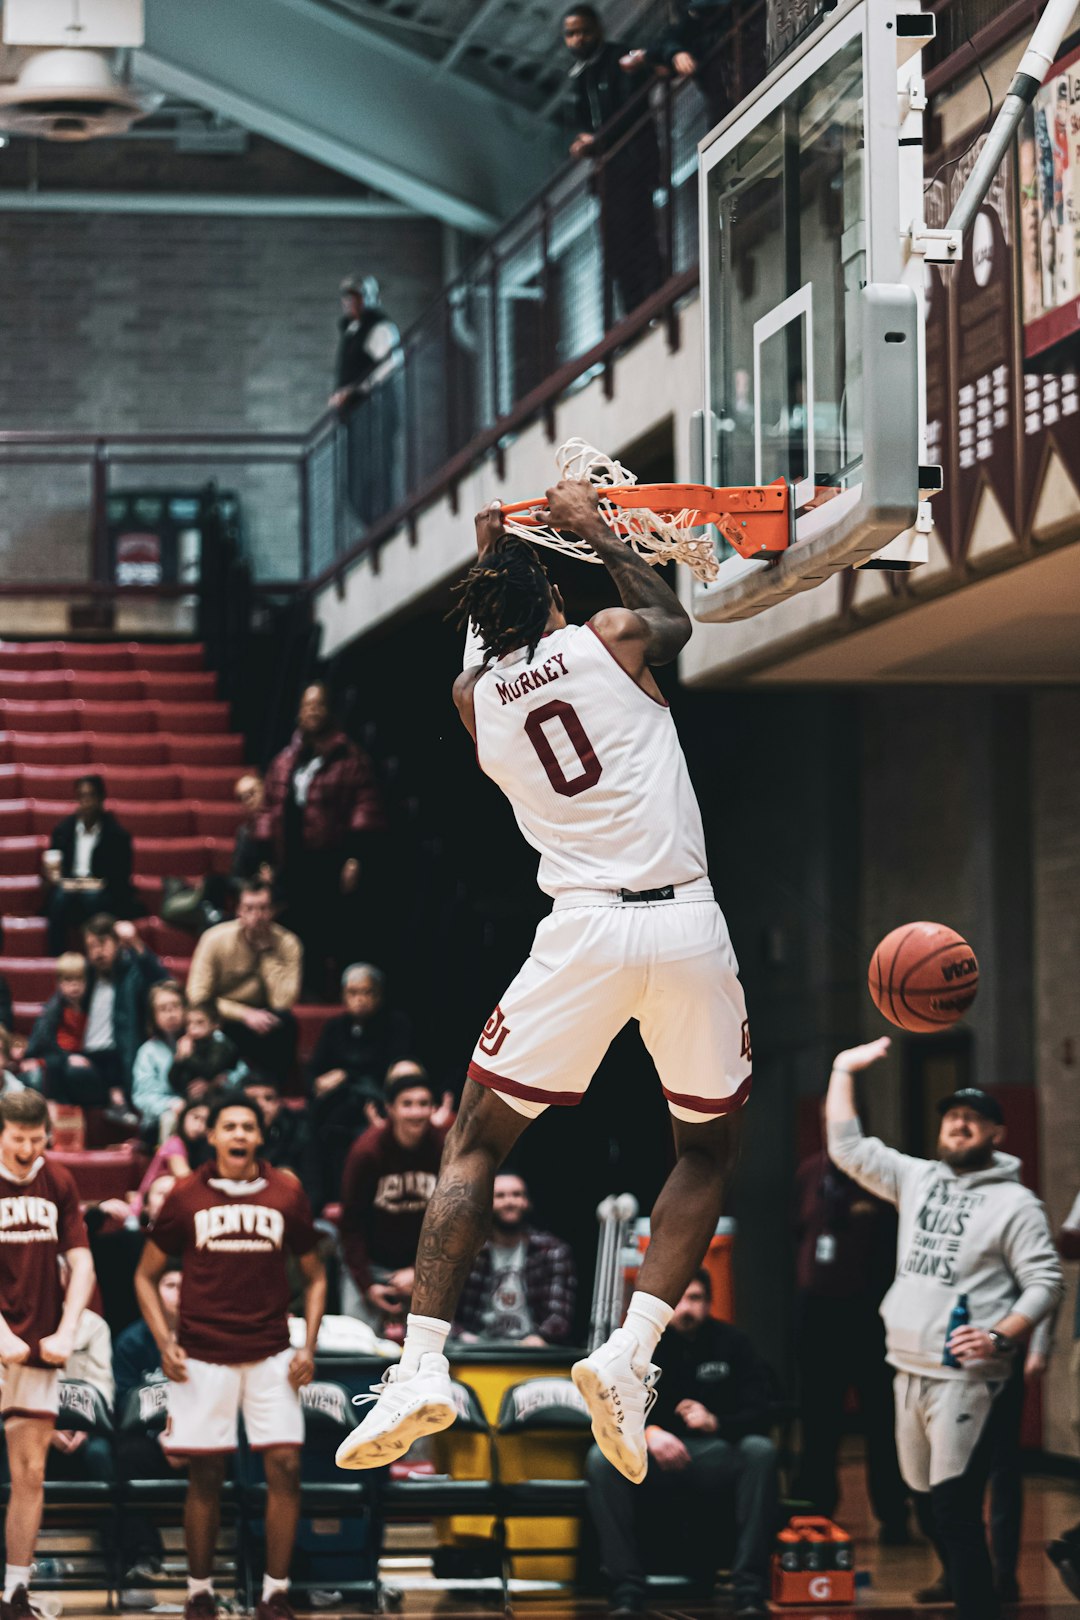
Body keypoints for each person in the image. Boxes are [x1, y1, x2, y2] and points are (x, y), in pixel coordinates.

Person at [336, 485, 751, 1478]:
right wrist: (598, 529)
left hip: (579, 933)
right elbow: (673, 616)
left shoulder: (476, 705)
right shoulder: (610, 633)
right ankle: (631, 1351)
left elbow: (485, 656)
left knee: (474, 1139)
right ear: (558, 600)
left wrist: (495, 554)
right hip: (685, 919)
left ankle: (422, 1366)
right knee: (704, 1153)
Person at [824, 1038, 1063, 1620]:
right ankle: (965, 1585)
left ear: (997, 1135)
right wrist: (841, 1070)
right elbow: (847, 1147)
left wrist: (1002, 1335)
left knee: (955, 1510)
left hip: (967, 1379)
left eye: (974, 1118)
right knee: (925, 1501)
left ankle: (978, 1605)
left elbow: (1045, 1281)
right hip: (906, 1369)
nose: (959, 1123)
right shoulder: (918, 1179)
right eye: (953, 1115)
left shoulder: (1015, 1205)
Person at [135, 1089, 327, 1620]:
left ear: (260, 1136)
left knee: (286, 1466)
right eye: (230, 1126)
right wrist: (164, 1339)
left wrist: (307, 1343)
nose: (240, 1134)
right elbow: (145, 1276)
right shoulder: (184, 1195)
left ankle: (275, 1592)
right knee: (205, 1475)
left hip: (271, 1352)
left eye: (248, 1126)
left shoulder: (286, 1192)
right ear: (212, 1136)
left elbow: (315, 1276)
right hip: (202, 1354)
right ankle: (199, 1593)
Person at [586, 1272, 778, 1618]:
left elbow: (762, 1411)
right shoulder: (640, 1349)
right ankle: (626, 1590)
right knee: (600, 1459)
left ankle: (749, 1590)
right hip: (649, 1457)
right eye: (679, 1300)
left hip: (713, 1453)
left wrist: (716, 1422)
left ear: (709, 1302)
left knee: (760, 1452)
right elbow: (605, 1412)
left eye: (696, 1299)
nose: (687, 1308)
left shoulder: (734, 1344)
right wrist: (649, 1433)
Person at [0, 1089, 96, 1620]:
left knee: (31, 1472)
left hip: (35, 1345)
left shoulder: (57, 1179)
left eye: (37, 1139)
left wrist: (67, 1330)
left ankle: (15, 1593)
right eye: (18, 1139)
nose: (28, 1149)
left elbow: (81, 1265)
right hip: (3, 1338)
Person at [791, 1128, 909, 1539]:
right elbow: (799, 1235)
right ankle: (814, 1509)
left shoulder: (880, 1177)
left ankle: (893, 1515)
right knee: (819, 1419)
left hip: (871, 1314)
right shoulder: (809, 1173)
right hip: (819, 1314)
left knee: (882, 1421)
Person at [259, 683, 386, 995]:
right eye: (306, 706)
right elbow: (270, 806)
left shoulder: (349, 758)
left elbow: (365, 806)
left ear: (329, 710)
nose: (311, 712)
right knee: (293, 926)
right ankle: (295, 988)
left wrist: (356, 856)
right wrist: (264, 854)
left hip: (330, 857)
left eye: (317, 705)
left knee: (328, 929)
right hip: (292, 856)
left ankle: (326, 991)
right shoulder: (287, 758)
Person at [564, 7, 662, 318]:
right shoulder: (580, 78)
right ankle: (635, 313)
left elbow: (633, 108)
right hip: (610, 170)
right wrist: (585, 142)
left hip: (633, 162)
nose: (578, 39)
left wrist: (597, 141)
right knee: (617, 246)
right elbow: (583, 122)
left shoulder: (619, 60)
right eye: (571, 34)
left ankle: (654, 304)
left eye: (583, 31)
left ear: (598, 30)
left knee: (639, 234)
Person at [338, 1063, 449, 1330]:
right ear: (390, 1109)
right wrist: (367, 1284)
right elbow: (351, 1224)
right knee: (356, 1342)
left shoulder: (445, 1148)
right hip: (370, 1264)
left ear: (433, 1108)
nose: (417, 1112)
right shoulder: (366, 1152)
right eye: (407, 1104)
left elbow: (451, 1222)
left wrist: (418, 1271)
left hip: (427, 1266)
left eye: (424, 1104)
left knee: (434, 1344)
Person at [306, 964, 414, 1206]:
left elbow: (390, 1067)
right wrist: (319, 1082)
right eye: (353, 993)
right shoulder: (335, 1027)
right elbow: (315, 1069)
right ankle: (324, 1199)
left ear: (379, 995)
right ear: (343, 996)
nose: (360, 999)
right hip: (338, 1102)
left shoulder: (396, 1024)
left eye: (367, 992)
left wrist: (345, 1074)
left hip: (376, 1099)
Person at [113, 1265, 184, 1595]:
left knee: (246, 1454)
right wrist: (162, 1437)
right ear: (154, 1292)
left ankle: (261, 1564)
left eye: (186, 1285)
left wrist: (186, 1437)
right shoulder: (131, 1342)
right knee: (124, 1454)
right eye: (170, 1285)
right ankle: (143, 1556)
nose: (179, 1293)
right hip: (149, 1445)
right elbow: (123, 1407)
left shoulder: (209, 1339)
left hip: (199, 1441)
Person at [186, 882, 300, 1082]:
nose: (256, 915)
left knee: (285, 1023)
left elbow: (283, 1003)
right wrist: (243, 1014)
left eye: (263, 908)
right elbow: (198, 995)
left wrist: (267, 954)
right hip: (222, 1018)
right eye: (249, 908)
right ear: (238, 910)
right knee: (197, 1021)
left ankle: (270, 1089)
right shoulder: (214, 939)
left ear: (272, 911)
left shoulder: (288, 943)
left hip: (263, 1020)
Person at [455, 1172, 576, 1346]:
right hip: (476, 1352)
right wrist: (461, 1336)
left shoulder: (552, 1251)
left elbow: (559, 1315)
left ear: (527, 1202)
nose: (509, 1202)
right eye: (500, 1196)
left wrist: (541, 1337)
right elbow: (444, 1312)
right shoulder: (469, 1253)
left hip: (531, 1352)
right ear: (486, 1204)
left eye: (516, 1194)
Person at [330, 276, 402, 527]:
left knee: (375, 471)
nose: (350, 302)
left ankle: (384, 524)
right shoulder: (352, 332)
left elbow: (388, 369)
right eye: (347, 297)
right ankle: (374, 526)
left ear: (369, 299)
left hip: (375, 413)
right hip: (356, 417)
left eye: (357, 297)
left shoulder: (379, 328)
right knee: (354, 481)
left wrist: (353, 391)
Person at [42, 775, 136, 954]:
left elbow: (121, 877)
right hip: (70, 885)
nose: (86, 801)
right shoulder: (63, 830)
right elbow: (53, 867)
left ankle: (98, 954)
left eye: (90, 796)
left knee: (92, 897)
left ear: (101, 799)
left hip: (101, 888)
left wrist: (98, 883)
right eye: (81, 796)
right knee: (59, 897)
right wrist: (52, 876)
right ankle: (56, 956)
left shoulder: (116, 835)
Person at [24, 952, 89, 1101]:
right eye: (68, 980)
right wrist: (66, 1058)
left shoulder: (87, 1006)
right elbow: (43, 1040)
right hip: (55, 1057)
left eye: (79, 979)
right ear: (58, 983)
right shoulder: (54, 1008)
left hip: (73, 1058)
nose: (75, 985)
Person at [132, 981, 188, 1129]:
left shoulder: (209, 1038)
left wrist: (213, 1083)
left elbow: (236, 1072)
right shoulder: (148, 1051)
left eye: (176, 1006)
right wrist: (172, 1104)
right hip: (165, 1118)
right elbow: (143, 1097)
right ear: (153, 1016)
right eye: (163, 1009)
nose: (171, 1014)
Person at [168, 1001, 245, 1099]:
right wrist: (179, 1058)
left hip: (222, 1095)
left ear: (215, 1024)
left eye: (200, 1022)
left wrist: (187, 1056)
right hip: (191, 1096)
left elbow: (210, 1070)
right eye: (188, 1023)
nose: (193, 1027)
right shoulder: (190, 1043)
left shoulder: (221, 1043)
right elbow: (172, 1080)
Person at [242, 1076, 311, 1180]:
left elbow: (313, 1187)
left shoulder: (296, 1133)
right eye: (252, 1100)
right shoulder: (227, 1136)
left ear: (278, 1104)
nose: (261, 1105)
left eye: (269, 1098)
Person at [232, 773, 274, 890]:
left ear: (264, 790)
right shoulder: (244, 833)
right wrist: (257, 879)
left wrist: (275, 874)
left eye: (252, 793)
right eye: (242, 798)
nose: (248, 800)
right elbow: (237, 876)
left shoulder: (282, 825)